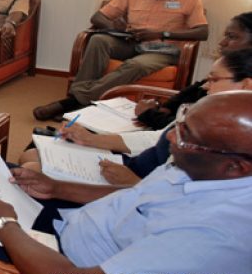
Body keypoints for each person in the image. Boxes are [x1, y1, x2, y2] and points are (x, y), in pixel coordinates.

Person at [0, 91, 252, 274]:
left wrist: (5, 225)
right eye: (181, 124)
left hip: (67, 266)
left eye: (186, 135)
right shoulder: (204, 165)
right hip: (74, 226)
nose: (171, 137)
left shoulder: (216, 236)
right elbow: (136, 198)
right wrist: (57, 188)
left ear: (237, 167)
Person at [19, 48, 252, 185]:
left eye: (213, 80)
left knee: (30, 169)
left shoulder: (234, 139)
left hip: (139, 183)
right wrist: (91, 140)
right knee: (31, 154)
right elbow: (157, 139)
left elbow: (180, 196)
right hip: (139, 166)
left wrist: (134, 184)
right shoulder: (212, 113)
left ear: (246, 84)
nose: (205, 86)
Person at [34, 0, 208, 120]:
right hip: (130, 42)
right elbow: (97, 17)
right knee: (98, 40)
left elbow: (202, 32)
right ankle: (81, 99)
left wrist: (162, 34)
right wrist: (116, 28)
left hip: (161, 50)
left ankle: (73, 102)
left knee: (136, 65)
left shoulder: (190, 0)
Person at [135, 12, 252, 129]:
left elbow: (190, 131)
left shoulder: (238, 91)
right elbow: (195, 91)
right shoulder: (227, 74)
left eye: (232, 37)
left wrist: (148, 114)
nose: (222, 43)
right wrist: (166, 108)